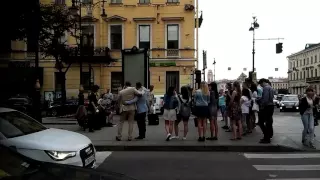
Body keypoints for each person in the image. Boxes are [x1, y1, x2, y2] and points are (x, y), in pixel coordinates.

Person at [257, 78, 274, 144]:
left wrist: (260, 103)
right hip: (271, 106)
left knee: (261, 122)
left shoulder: (266, 88)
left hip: (267, 107)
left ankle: (266, 138)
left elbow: (265, 99)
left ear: (263, 82)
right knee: (269, 122)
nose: (261, 86)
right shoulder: (270, 87)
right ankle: (268, 136)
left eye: (261, 84)